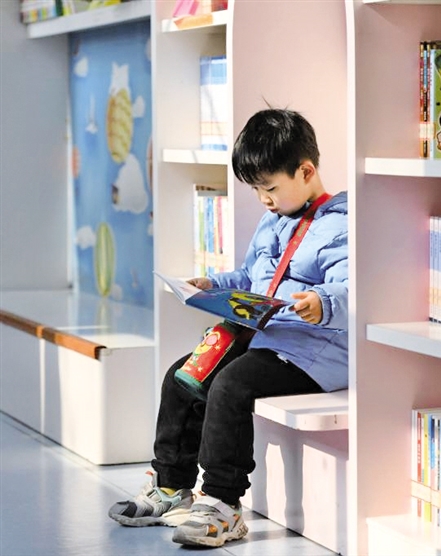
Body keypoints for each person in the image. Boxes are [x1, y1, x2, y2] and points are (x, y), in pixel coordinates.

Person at [108, 108, 348, 548]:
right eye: (256, 190)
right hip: (266, 337)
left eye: (270, 188)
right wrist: (212, 285)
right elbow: (253, 278)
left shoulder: (341, 225)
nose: (264, 199)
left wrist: (322, 303)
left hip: (313, 351)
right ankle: (170, 485)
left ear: (306, 171)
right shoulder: (275, 219)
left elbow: (353, 289)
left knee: (231, 386)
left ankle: (223, 504)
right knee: (183, 375)